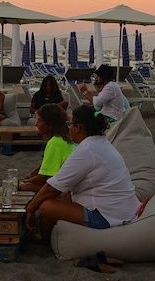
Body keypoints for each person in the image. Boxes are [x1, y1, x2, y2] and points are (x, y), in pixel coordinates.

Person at [24, 105, 139, 243]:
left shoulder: (87, 150)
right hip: (120, 210)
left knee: (46, 207)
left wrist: (30, 209)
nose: (69, 128)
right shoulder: (101, 144)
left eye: (70, 124)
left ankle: (46, 243)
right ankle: (50, 238)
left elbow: (51, 188)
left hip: (107, 216)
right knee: (63, 196)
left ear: (77, 128)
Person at [20, 104, 76, 192]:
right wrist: (28, 177)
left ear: (49, 125)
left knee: (26, 187)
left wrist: (22, 182)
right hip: (72, 185)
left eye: (39, 121)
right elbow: (44, 166)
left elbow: (42, 179)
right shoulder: (65, 138)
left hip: (68, 190)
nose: (36, 124)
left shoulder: (54, 143)